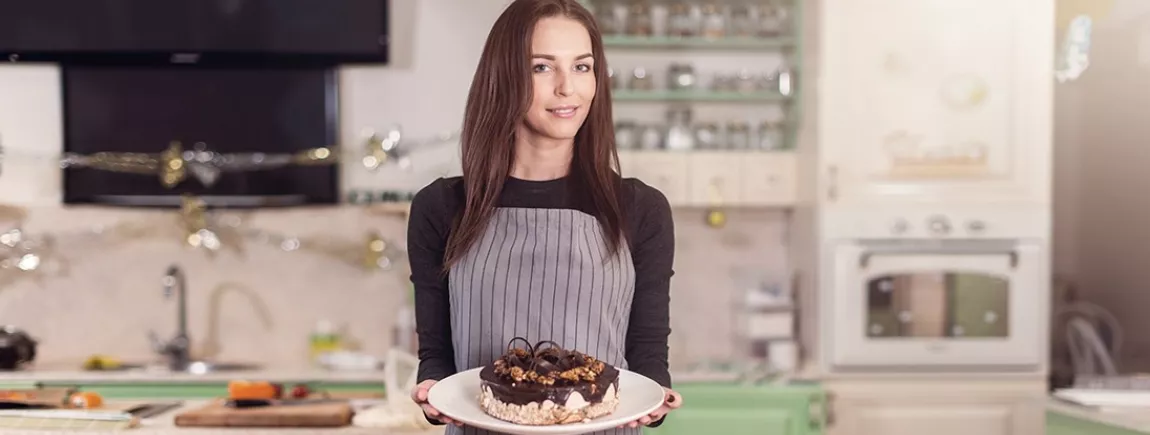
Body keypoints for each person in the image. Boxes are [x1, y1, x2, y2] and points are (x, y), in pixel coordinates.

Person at [406, 0, 681, 433]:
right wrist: (432, 391)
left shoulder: (640, 208)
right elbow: (437, 352)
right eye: (542, 67)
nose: (567, 88)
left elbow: (646, 352)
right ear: (504, 76)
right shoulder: (442, 206)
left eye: (582, 67)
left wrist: (657, 394)